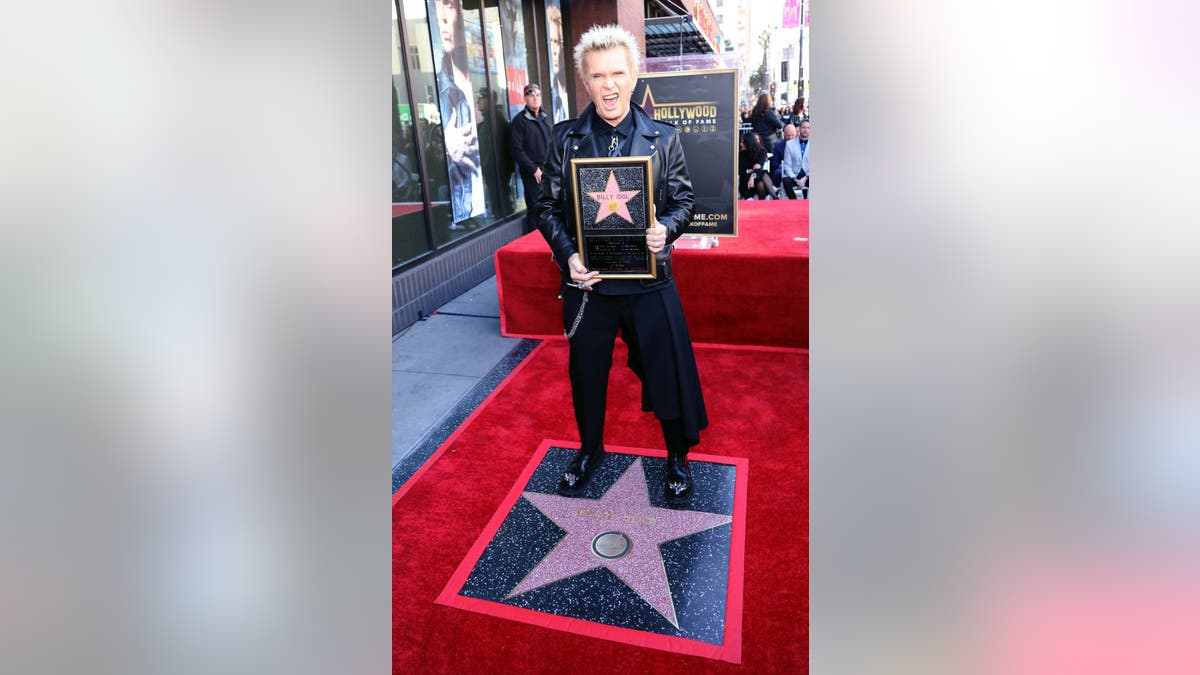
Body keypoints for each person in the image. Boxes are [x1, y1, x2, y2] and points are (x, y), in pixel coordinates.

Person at [536, 24, 706, 505]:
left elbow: (684, 200)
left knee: (666, 370)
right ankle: (590, 449)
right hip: (588, 285)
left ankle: (676, 456)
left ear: (633, 77)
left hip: (650, 281)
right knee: (585, 373)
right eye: (597, 76)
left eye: (617, 73)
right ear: (584, 83)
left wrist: (665, 230)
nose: (608, 85)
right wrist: (567, 255)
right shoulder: (565, 139)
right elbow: (545, 208)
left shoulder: (662, 138)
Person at [432, 0, 484, 226]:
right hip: (462, 202)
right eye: (438, 7)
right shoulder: (443, 89)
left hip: (479, 202)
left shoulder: (472, 86)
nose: (442, 16)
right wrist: (446, 146)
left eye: (450, 5)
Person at [510, 83, 553, 234]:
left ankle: (547, 239)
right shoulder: (520, 121)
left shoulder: (545, 117)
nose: (535, 98)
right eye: (531, 95)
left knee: (550, 206)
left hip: (548, 170)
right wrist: (533, 169)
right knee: (535, 209)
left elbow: (552, 142)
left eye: (538, 95)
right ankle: (534, 242)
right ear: (525, 98)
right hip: (532, 173)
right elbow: (516, 150)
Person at [738, 131, 776, 200]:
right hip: (745, 181)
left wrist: (752, 176)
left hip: (757, 177)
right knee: (762, 173)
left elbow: (759, 166)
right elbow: (739, 171)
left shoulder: (761, 151)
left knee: (761, 182)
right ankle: (774, 196)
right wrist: (750, 170)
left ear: (748, 143)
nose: (740, 144)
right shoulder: (740, 154)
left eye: (742, 142)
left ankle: (773, 196)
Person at [779, 119, 810, 199]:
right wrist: (795, 179)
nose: (806, 130)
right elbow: (787, 165)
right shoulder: (789, 144)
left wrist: (806, 177)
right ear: (799, 129)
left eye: (808, 128)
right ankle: (794, 202)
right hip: (794, 175)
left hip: (808, 175)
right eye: (803, 127)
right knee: (785, 181)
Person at [771, 123, 797, 189]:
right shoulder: (778, 146)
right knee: (777, 173)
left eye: (792, 135)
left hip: (798, 169)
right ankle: (776, 189)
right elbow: (774, 162)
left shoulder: (802, 144)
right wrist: (781, 166)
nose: (790, 137)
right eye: (788, 135)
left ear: (796, 134)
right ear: (784, 135)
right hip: (783, 169)